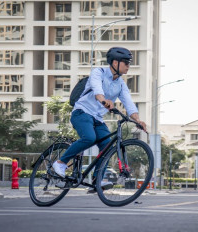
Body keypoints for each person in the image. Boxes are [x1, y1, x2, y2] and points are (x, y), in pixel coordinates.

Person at [52, 47, 147, 192]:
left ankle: (97, 180)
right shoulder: (99, 72)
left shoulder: (121, 84)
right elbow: (97, 89)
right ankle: (60, 162)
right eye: (126, 63)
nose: (129, 66)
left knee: (107, 145)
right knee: (89, 138)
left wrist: (138, 120)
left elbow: (128, 103)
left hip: (97, 118)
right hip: (82, 112)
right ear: (115, 62)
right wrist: (104, 100)